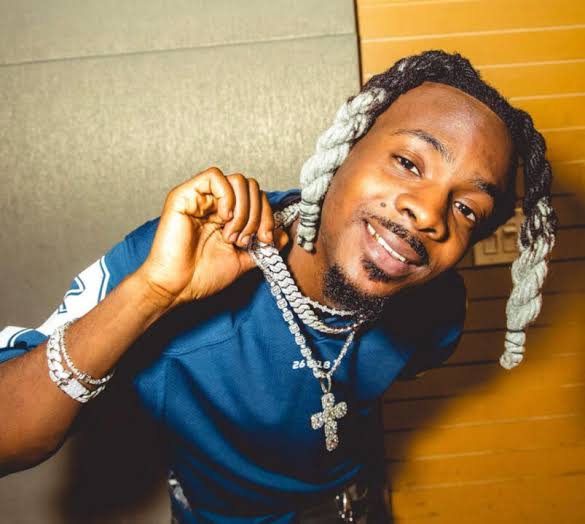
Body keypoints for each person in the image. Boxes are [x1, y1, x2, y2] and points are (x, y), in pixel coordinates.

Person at [0, 50, 556, 523]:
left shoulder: (436, 308)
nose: (430, 212)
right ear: (347, 144)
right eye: (409, 162)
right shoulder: (180, 259)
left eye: (466, 208)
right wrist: (151, 295)